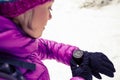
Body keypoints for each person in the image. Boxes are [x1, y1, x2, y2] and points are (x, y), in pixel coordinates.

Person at [0, 0, 115, 80]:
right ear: (26, 11)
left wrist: (78, 55)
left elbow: (45, 47)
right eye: (49, 8)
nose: (50, 16)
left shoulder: (16, 45)